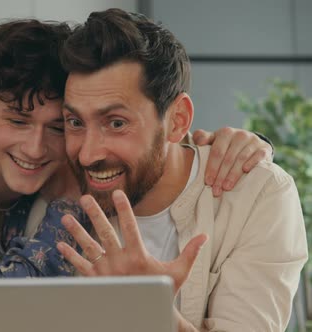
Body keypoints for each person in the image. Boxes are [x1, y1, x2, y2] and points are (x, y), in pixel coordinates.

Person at [0, 18, 273, 281]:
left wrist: (238, 143)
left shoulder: (80, 159)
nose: (35, 148)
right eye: (17, 120)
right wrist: (69, 203)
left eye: (59, 125)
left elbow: (148, 138)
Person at [53, 9, 307, 331]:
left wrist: (152, 312)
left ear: (177, 121)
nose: (88, 155)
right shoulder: (55, 190)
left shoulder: (258, 194)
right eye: (75, 122)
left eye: (116, 123)